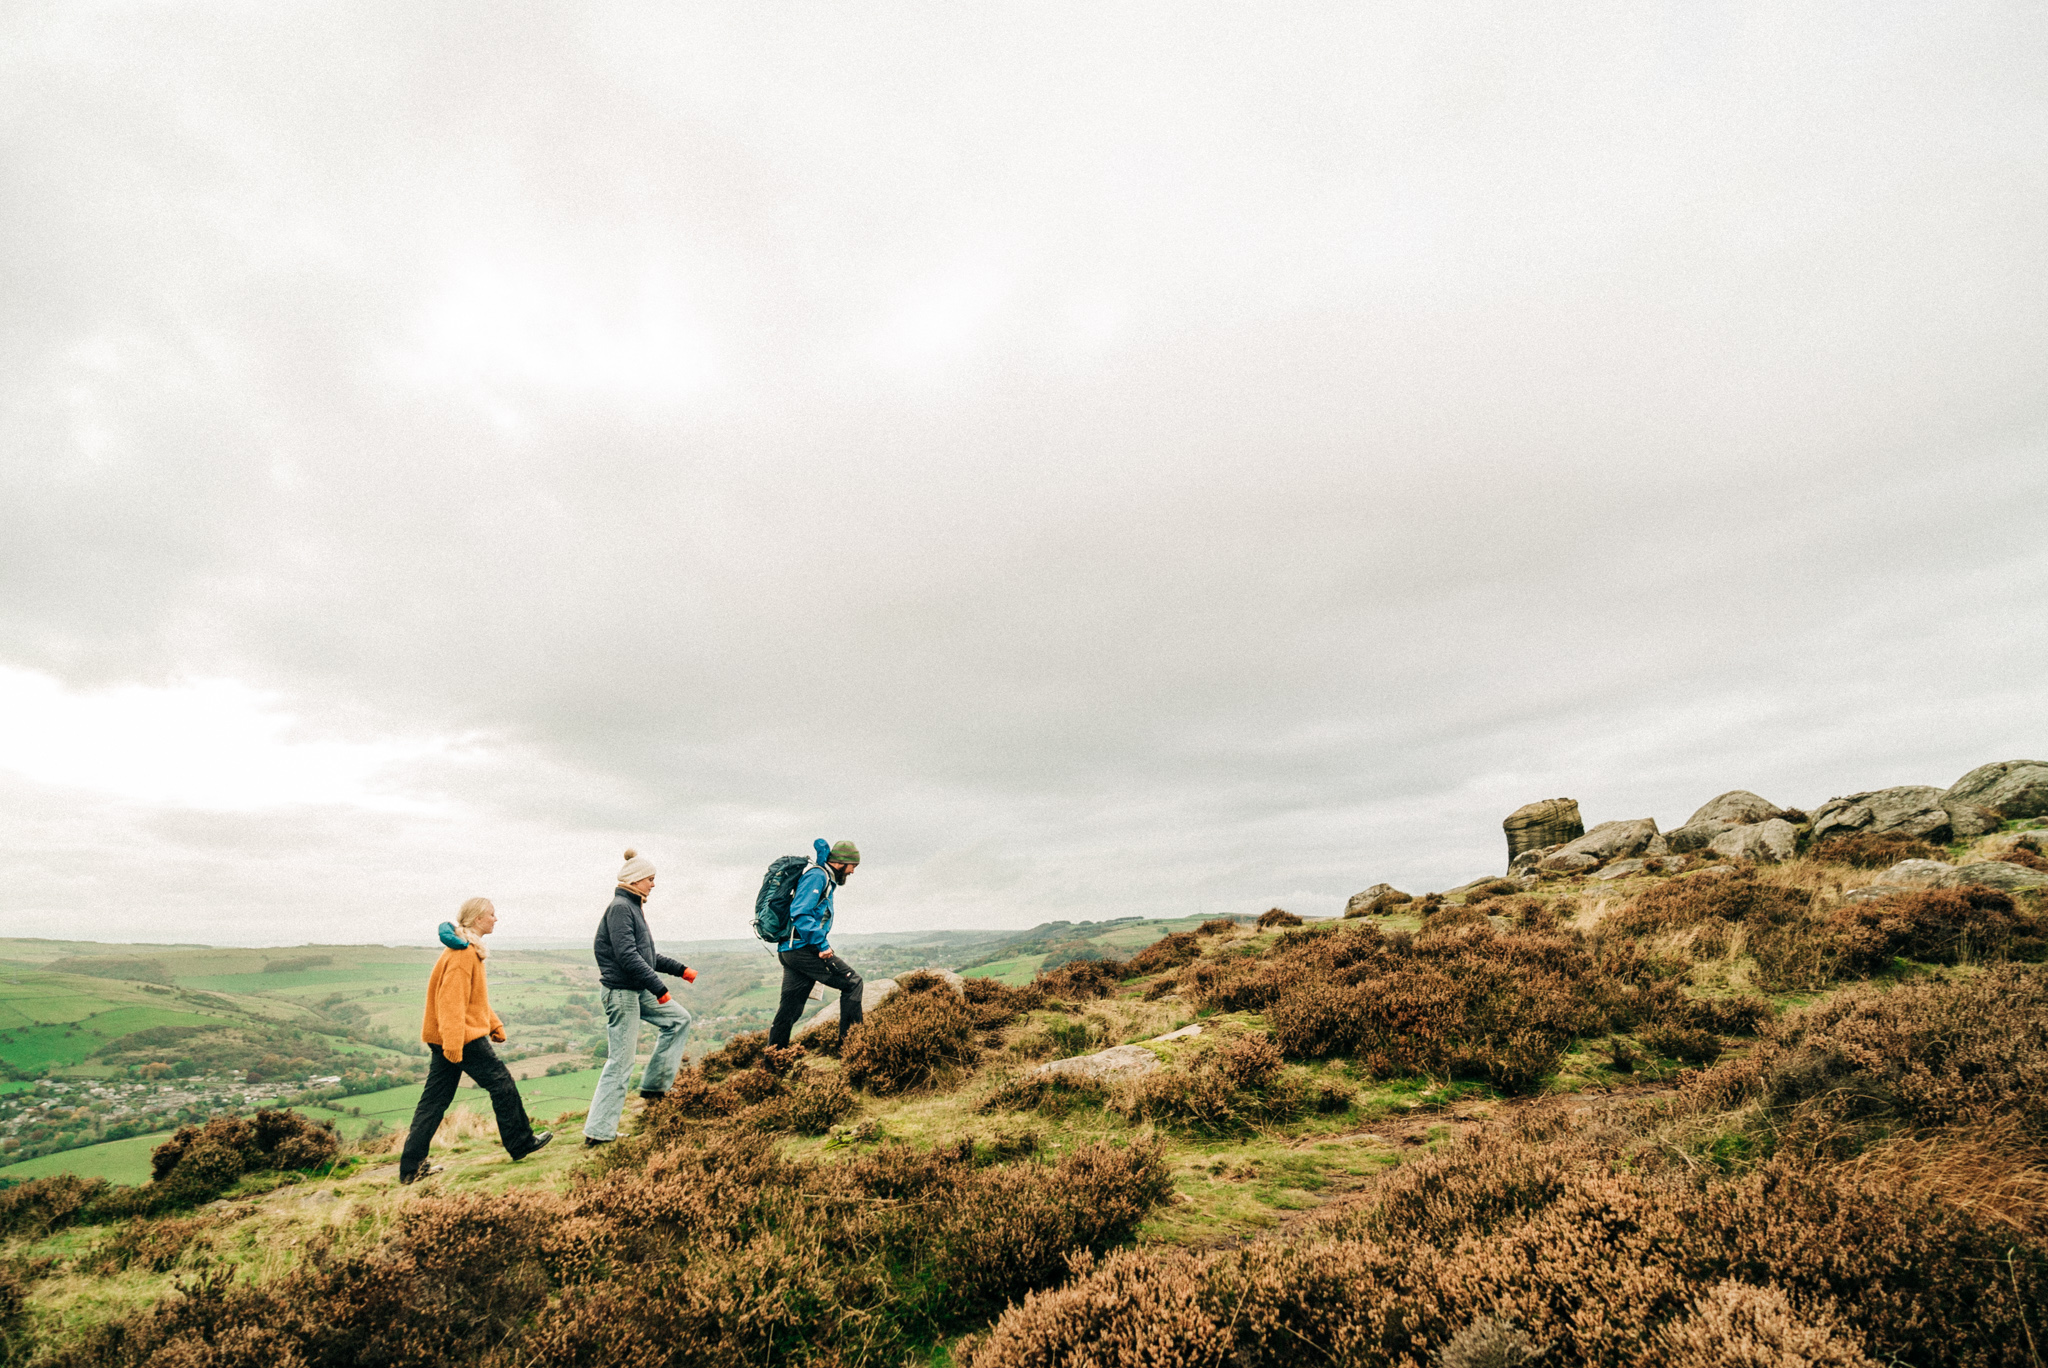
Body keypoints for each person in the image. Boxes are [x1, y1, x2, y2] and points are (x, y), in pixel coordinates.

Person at [398, 897, 552, 1183]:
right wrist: (454, 1044)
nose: (496, 919)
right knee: (502, 1084)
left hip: (454, 1036)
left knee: (434, 1102)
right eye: (492, 914)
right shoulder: (463, 954)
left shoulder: (469, 950)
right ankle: (521, 1143)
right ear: (478, 918)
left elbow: (473, 1000)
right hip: (460, 1038)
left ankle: (411, 1168)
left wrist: (493, 1024)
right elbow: (452, 1003)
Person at [584, 848, 695, 1147]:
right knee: (620, 1063)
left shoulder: (633, 907)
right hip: (621, 993)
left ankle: (655, 1087)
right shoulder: (621, 908)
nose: (653, 884)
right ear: (635, 880)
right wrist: (659, 989)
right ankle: (598, 1131)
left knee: (679, 1020)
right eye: (650, 879)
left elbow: (647, 955)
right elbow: (627, 956)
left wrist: (680, 970)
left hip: (634, 989)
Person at [767, 838, 864, 1050]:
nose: (852, 872)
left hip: (791, 950)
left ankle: (773, 1062)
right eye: (852, 866)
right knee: (853, 982)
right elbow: (801, 913)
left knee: (790, 1009)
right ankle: (852, 1047)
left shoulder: (823, 875)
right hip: (803, 948)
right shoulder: (817, 876)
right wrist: (822, 945)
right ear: (840, 863)